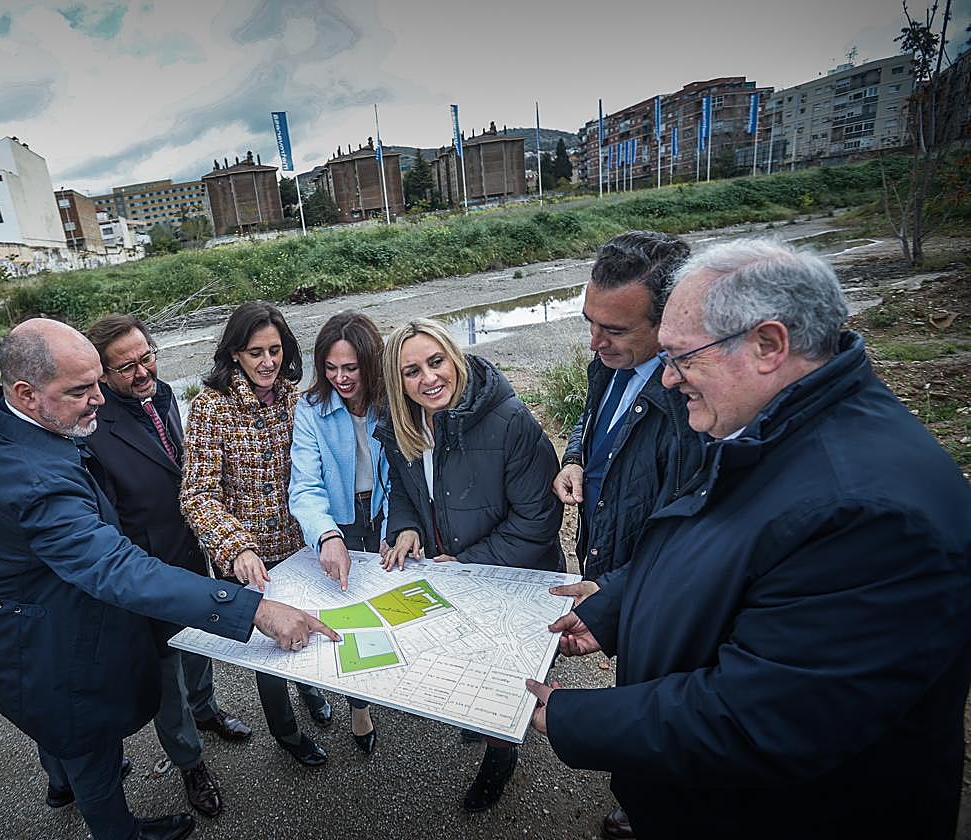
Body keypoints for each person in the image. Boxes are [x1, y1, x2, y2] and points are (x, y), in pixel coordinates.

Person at [527, 239, 971, 839]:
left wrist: (573, 716)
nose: (667, 377)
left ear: (768, 345)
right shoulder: (770, 428)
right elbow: (713, 550)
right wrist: (614, 606)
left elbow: (759, 719)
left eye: (683, 358)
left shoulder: (866, 515)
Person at [0, 318, 336, 840]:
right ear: (26, 392)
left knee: (63, 736)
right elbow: (113, 567)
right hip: (41, 633)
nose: (98, 400)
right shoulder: (38, 484)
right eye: (82, 389)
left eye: (97, 382)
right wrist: (257, 610)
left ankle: (61, 782)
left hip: (16, 608)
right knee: (90, 748)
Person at [375, 318, 564, 812]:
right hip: (454, 569)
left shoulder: (511, 420)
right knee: (468, 661)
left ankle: (499, 758)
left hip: (511, 576)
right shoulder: (405, 425)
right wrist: (406, 528)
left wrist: (464, 562)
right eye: (411, 371)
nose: (428, 379)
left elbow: (539, 521)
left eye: (436, 362)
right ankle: (481, 722)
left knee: (503, 675)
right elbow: (405, 492)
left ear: (455, 358)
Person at [549, 231, 702, 840]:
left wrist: (611, 594)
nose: (594, 342)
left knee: (661, 699)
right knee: (633, 683)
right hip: (612, 572)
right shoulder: (606, 361)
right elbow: (592, 417)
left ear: (668, 324)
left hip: (650, 591)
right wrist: (575, 455)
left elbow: (686, 543)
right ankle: (639, 802)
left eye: (613, 330)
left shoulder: (691, 403)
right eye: (589, 322)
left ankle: (652, 812)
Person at [83, 314, 255, 820]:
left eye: (147, 357)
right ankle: (189, 762)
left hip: (190, 548)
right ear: (103, 375)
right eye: (127, 367)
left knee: (200, 645)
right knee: (166, 675)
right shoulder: (94, 430)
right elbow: (105, 521)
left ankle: (208, 711)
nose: (142, 372)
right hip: (147, 569)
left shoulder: (163, 397)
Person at [180, 301, 334, 767]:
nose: (267, 362)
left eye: (275, 350)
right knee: (269, 652)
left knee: (307, 624)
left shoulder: (295, 398)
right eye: (255, 353)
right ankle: (287, 735)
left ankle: (310, 689)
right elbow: (198, 493)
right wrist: (237, 547)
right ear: (234, 355)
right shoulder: (212, 406)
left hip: (296, 546)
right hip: (251, 561)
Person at [289, 311, 389, 756]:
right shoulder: (311, 408)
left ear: (371, 363)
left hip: (389, 514)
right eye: (331, 368)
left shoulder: (393, 398)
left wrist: (402, 526)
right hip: (340, 522)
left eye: (350, 368)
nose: (341, 378)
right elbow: (306, 487)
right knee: (349, 615)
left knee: (396, 600)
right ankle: (359, 706)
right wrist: (327, 536)